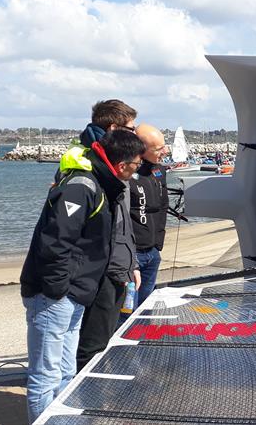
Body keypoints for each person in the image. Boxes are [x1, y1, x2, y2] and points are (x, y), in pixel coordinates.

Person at [20, 130, 144, 423]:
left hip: (75, 293)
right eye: (137, 165)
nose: (137, 172)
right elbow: (55, 243)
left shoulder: (102, 185)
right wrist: (58, 290)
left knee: (66, 373)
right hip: (56, 295)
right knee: (45, 375)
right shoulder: (81, 186)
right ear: (123, 165)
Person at [75, 130, 145, 370]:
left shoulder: (115, 184)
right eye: (137, 163)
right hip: (104, 272)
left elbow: (125, 230)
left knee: (105, 339)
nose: (138, 168)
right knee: (92, 344)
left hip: (119, 269)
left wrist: (131, 263)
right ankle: (88, 399)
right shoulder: (93, 184)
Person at [128, 124, 170, 308]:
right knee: (127, 311)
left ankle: (144, 335)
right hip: (132, 254)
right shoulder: (127, 173)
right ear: (142, 149)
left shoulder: (158, 170)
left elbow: (163, 205)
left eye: (164, 145)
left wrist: (158, 243)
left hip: (153, 251)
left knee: (146, 309)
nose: (165, 151)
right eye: (159, 149)